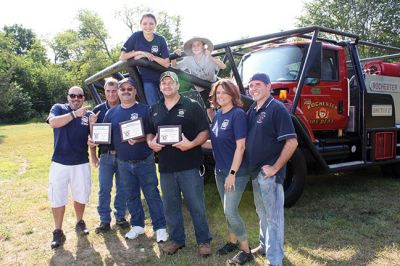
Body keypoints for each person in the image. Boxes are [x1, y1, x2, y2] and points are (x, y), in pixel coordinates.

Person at [147, 71, 212, 257]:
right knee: (170, 205)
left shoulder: (191, 106)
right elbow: (149, 132)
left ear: (177, 85)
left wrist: (191, 144)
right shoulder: (154, 109)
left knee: (196, 205)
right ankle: (176, 240)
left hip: (190, 165)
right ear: (160, 87)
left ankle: (204, 241)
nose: (167, 86)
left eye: (171, 83)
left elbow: (204, 132)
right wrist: (151, 143)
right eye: (163, 83)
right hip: (166, 167)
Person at [103, 78, 168, 242]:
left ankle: (160, 227)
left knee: (152, 194)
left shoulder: (146, 110)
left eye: (129, 88)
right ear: (118, 92)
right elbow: (106, 137)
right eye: (122, 89)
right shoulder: (111, 113)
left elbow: (153, 132)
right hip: (123, 162)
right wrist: (94, 140)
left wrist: (140, 139)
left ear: (135, 91)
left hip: (144, 160)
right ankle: (137, 225)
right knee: (131, 196)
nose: (126, 91)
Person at [246, 73, 298, 265]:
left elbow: (292, 142)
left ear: (269, 87)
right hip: (255, 172)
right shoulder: (253, 109)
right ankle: (264, 245)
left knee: (274, 216)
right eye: (250, 85)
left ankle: (275, 259)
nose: (253, 88)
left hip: (269, 175)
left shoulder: (277, 108)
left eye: (258, 84)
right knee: (262, 213)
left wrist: (275, 167)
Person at [207, 79, 253, 264]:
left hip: (236, 172)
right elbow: (214, 143)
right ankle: (232, 241)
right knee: (228, 211)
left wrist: (232, 174)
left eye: (224, 92)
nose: (220, 95)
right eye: (218, 93)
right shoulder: (218, 115)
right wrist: (189, 142)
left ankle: (246, 250)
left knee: (230, 211)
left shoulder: (238, 115)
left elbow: (240, 147)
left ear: (232, 94)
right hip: (220, 171)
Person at [47, 86, 93, 249]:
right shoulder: (59, 108)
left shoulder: (89, 115)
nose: (76, 98)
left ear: (83, 98)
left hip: (81, 162)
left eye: (79, 96)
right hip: (59, 163)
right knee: (57, 197)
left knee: (81, 196)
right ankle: (58, 231)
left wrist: (93, 138)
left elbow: (93, 137)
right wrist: (74, 114)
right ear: (68, 97)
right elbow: (53, 123)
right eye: (72, 95)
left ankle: (80, 222)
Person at [89, 78, 129, 233]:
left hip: (123, 155)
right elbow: (92, 137)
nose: (111, 94)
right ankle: (104, 220)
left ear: (118, 91)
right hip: (105, 155)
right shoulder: (97, 111)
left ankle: (120, 217)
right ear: (104, 92)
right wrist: (93, 155)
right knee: (104, 188)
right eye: (108, 91)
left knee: (122, 187)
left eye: (114, 91)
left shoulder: (126, 107)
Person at [120, 13, 170, 106]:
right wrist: (140, 53)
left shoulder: (160, 39)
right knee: (154, 108)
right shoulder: (136, 36)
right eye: (145, 23)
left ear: (155, 25)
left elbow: (166, 63)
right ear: (140, 25)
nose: (148, 26)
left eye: (151, 23)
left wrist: (150, 56)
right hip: (148, 80)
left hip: (163, 78)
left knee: (170, 105)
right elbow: (122, 56)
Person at [173, 37, 226, 120]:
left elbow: (223, 66)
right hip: (201, 87)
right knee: (209, 108)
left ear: (203, 46)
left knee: (221, 104)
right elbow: (175, 67)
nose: (196, 47)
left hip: (213, 84)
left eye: (198, 45)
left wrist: (210, 57)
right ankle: (214, 124)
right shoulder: (188, 60)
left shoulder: (208, 56)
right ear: (191, 48)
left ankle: (225, 120)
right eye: (193, 46)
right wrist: (175, 56)